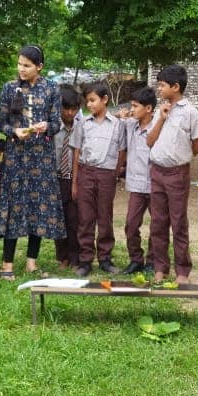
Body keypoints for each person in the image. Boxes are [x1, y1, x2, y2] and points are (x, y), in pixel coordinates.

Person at [0, 45, 65, 280]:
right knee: (14, 205)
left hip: (42, 157)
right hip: (16, 157)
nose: (21, 69)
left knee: (38, 206)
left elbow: (56, 123)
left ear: (39, 67)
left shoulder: (52, 88)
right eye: (19, 64)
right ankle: (7, 264)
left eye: (26, 65)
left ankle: (31, 263)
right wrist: (14, 132)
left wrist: (46, 127)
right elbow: (2, 123)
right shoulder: (9, 88)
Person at [146, 64, 198, 284]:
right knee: (158, 222)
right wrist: (161, 118)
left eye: (162, 85)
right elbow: (149, 141)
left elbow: (197, 145)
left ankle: (182, 270)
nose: (159, 89)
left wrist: (180, 157)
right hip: (157, 171)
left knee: (178, 222)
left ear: (176, 87)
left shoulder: (190, 112)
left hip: (177, 174)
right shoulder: (160, 110)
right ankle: (161, 267)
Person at [70, 82, 125, 276]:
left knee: (105, 217)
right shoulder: (83, 123)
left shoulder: (118, 124)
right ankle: (85, 260)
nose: (89, 104)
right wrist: (75, 181)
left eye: (93, 100)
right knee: (85, 218)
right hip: (85, 173)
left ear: (105, 99)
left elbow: (122, 152)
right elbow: (77, 152)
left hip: (107, 175)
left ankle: (105, 258)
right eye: (87, 101)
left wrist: (114, 173)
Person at [120, 86, 157, 275]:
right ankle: (136, 259)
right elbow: (117, 119)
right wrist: (122, 115)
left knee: (157, 225)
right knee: (131, 224)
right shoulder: (130, 125)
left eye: (135, 106)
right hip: (136, 185)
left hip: (155, 185)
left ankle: (152, 261)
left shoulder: (158, 127)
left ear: (148, 108)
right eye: (131, 105)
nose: (132, 109)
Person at [53, 84, 84, 269]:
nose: (70, 113)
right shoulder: (53, 127)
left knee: (74, 219)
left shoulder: (81, 127)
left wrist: (75, 182)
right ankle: (62, 257)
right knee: (59, 220)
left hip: (73, 178)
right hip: (55, 179)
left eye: (74, 109)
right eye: (66, 109)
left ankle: (75, 257)